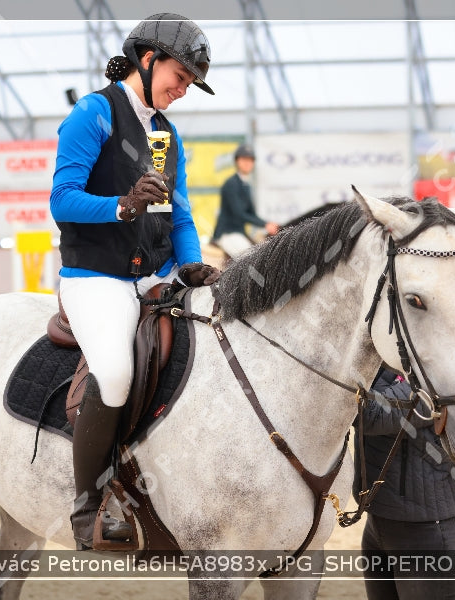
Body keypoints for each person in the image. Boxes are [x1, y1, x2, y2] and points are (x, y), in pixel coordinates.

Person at [49, 13, 220, 550]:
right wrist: (122, 205)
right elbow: (62, 198)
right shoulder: (93, 113)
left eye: (191, 83)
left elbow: (181, 214)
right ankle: (86, 505)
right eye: (181, 77)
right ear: (148, 60)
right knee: (117, 371)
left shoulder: (167, 135)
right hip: (95, 277)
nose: (183, 90)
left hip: (154, 275)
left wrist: (190, 264)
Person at [354, 368, 455, 600]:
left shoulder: (431, 377)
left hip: (429, 534)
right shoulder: (382, 367)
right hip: (380, 524)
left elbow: (371, 414)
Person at [211, 143, 279, 258]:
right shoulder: (231, 183)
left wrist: (268, 224)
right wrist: (264, 224)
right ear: (237, 161)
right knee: (249, 258)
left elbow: (251, 214)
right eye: (244, 159)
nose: (247, 163)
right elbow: (239, 214)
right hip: (227, 234)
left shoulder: (246, 185)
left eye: (250, 160)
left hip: (239, 233)